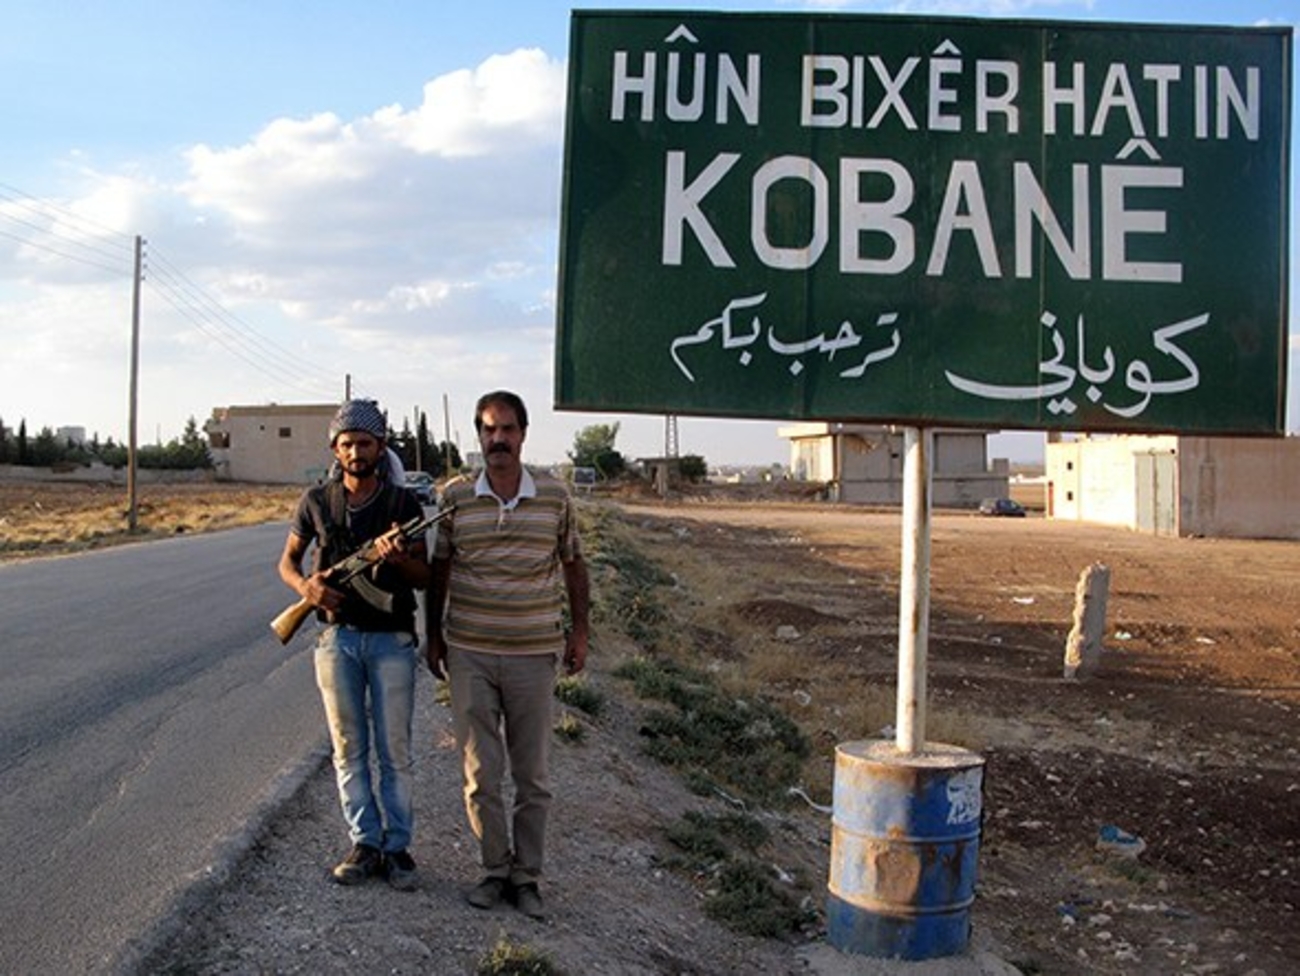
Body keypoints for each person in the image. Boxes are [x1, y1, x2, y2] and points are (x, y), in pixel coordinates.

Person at [425, 390, 589, 920]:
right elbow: (439, 572)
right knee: (480, 775)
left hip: (534, 652)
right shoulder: (454, 498)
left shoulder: (554, 496)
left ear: (523, 434)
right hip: (470, 651)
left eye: (508, 429)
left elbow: (574, 565)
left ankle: (528, 878)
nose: (499, 439)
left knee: (533, 776)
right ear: (479, 436)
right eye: (489, 430)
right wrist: (433, 636)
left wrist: (579, 633)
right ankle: (494, 870)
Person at [277, 398, 432, 890]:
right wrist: (307, 589)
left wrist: (397, 557)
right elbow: (287, 562)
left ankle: (398, 848)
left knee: (395, 750)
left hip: (392, 642)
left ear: (380, 447)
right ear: (335, 449)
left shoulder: (402, 505)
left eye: (365, 443)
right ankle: (364, 842)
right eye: (347, 444)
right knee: (348, 750)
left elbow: (424, 575)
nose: (356, 451)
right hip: (336, 640)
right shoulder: (317, 502)